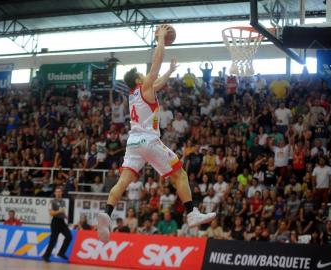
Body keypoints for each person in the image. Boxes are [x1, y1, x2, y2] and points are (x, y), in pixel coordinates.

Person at [97, 25, 216, 243]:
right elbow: (156, 65)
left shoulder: (135, 94)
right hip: (148, 141)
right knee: (179, 173)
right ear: (139, 80)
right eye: (143, 75)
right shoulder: (143, 87)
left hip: (133, 143)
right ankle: (191, 212)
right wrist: (161, 39)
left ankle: (106, 213)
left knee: (123, 182)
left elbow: (158, 81)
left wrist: (171, 71)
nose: (148, 75)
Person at [42, 187, 72, 262]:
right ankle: (46, 256)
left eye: (59, 192)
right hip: (55, 222)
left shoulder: (63, 202)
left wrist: (65, 216)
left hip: (62, 222)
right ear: (55, 193)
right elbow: (51, 213)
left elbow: (62, 211)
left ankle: (61, 253)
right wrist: (59, 211)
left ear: (62, 193)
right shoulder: (52, 202)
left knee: (69, 236)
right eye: (57, 192)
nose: (58, 193)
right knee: (53, 240)